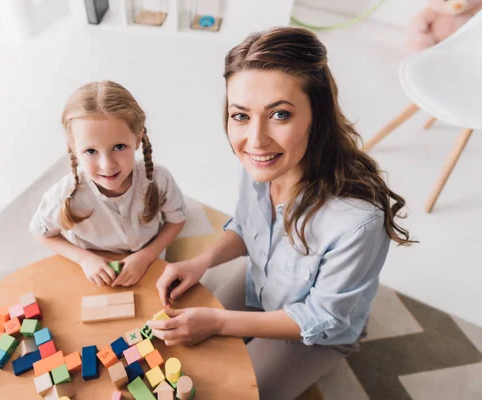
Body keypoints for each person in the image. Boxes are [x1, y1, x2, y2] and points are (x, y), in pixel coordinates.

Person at [149, 27, 415, 400]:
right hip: (262, 282)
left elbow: (321, 316)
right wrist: (202, 262)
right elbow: (247, 226)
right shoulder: (261, 162)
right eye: (240, 116)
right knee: (180, 353)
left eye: (279, 114)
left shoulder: (358, 222)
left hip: (317, 331)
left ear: (316, 116)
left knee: (230, 393)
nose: (255, 140)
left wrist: (220, 322)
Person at [30, 81, 188, 287]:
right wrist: (84, 259)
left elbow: (177, 220)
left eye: (119, 147)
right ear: (73, 148)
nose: (107, 165)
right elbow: (41, 233)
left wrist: (145, 257)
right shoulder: (64, 196)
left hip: (149, 261)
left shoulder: (159, 180)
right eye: (90, 151)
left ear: (138, 139)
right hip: (95, 270)